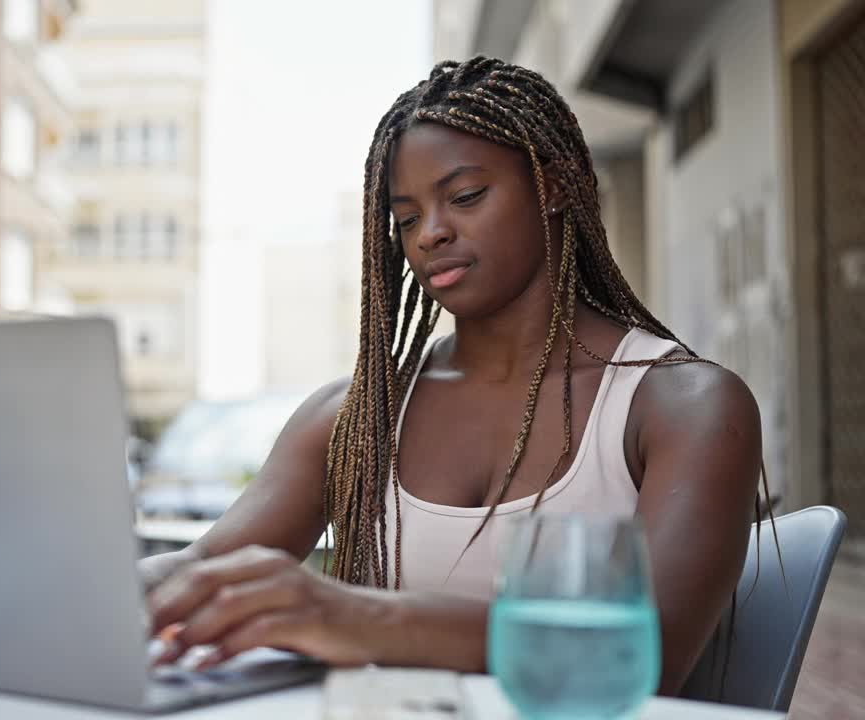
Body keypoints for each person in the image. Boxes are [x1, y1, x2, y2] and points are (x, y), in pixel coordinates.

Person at [141, 56, 765, 695]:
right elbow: (199, 570)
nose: (430, 234)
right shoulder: (355, 419)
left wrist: (352, 616)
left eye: (465, 197)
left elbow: (643, 652)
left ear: (551, 186)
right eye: (406, 217)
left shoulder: (685, 405)